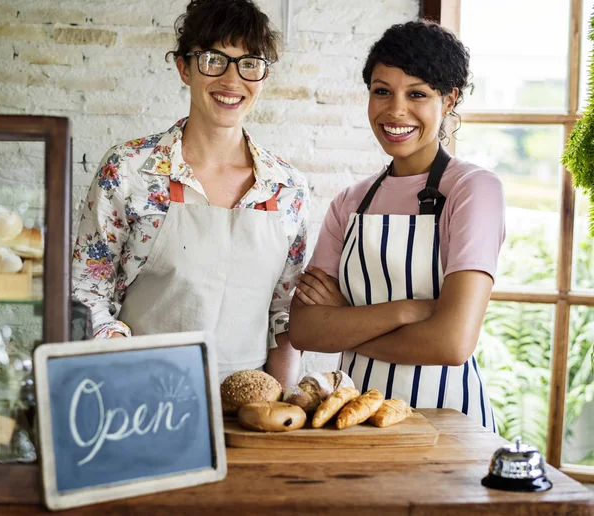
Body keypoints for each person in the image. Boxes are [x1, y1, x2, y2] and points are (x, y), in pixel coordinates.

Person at [72, 0, 309, 387]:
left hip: (248, 410)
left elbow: (283, 314)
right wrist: (122, 369)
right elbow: (86, 292)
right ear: (184, 68)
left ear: (263, 77)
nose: (232, 81)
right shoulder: (128, 169)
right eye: (214, 59)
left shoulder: (287, 188)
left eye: (249, 63)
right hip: (140, 396)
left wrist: (283, 407)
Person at [289, 20, 505, 431]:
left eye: (417, 94)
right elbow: (304, 330)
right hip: (353, 419)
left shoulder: (474, 190)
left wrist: (345, 321)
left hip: (446, 422)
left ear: (449, 98)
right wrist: (409, 311)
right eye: (381, 91)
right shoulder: (350, 202)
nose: (395, 110)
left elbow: (452, 342)